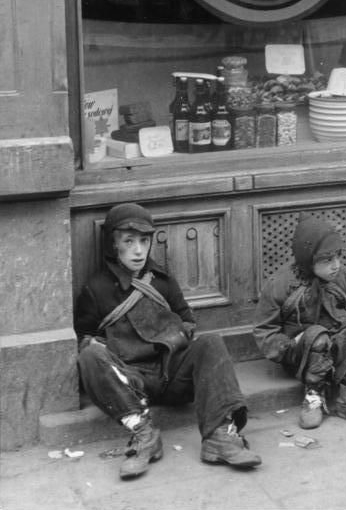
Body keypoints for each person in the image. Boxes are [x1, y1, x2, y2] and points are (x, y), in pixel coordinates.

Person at [74, 202, 261, 479]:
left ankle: (220, 436)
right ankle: (143, 435)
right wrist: (91, 345)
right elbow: (86, 337)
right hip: (131, 382)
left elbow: (187, 320)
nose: (138, 250)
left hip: (171, 373)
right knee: (89, 357)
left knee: (212, 343)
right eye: (129, 241)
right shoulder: (96, 289)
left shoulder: (161, 281)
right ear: (113, 246)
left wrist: (176, 332)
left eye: (144, 241)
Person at [253, 213, 346, 431]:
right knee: (317, 335)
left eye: (338, 257)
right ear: (308, 259)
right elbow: (265, 332)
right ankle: (313, 397)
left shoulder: (341, 277)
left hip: (337, 347)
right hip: (302, 353)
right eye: (327, 260)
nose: (336, 265)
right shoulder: (281, 284)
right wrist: (289, 346)